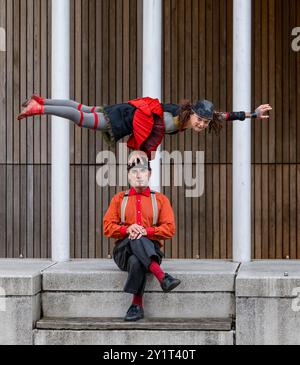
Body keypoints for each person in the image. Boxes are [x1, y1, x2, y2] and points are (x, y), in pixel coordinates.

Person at [17, 94, 272, 159]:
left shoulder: (185, 115)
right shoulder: (172, 119)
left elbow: (222, 115)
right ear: (191, 113)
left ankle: (41, 101)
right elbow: (147, 130)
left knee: (83, 108)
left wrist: (251, 114)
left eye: (205, 122)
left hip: (126, 111)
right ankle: (39, 109)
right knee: (81, 118)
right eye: (200, 120)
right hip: (125, 118)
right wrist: (142, 152)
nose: (202, 125)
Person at [103, 150, 180, 321]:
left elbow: (170, 229)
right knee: (134, 237)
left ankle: (136, 306)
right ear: (128, 176)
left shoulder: (160, 200)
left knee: (136, 260)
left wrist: (146, 231)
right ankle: (162, 276)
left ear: (150, 174)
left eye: (143, 171)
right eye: (134, 171)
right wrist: (127, 230)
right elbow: (107, 227)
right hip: (123, 252)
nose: (139, 175)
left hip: (152, 252)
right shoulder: (119, 199)